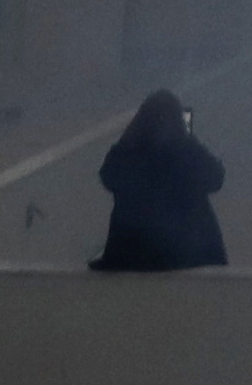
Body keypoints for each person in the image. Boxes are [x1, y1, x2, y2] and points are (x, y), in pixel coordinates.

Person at [92, 89, 228, 273]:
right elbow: (215, 178)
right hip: (192, 255)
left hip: (132, 253)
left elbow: (109, 176)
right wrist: (188, 140)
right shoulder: (185, 151)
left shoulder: (129, 151)